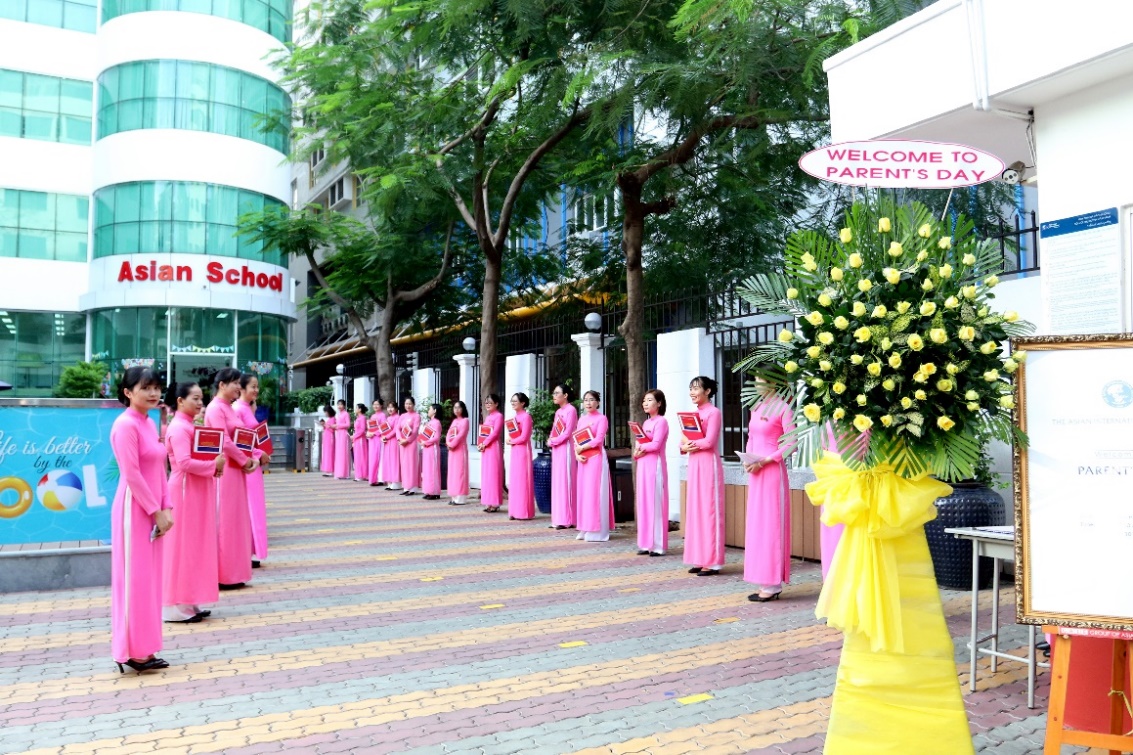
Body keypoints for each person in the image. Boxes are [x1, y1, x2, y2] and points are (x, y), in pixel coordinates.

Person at [110, 366, 172, 674]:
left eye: (156, 387)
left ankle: (145, 648)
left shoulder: (149, 422)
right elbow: (132, 473)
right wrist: (155, 511)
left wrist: (167, 505)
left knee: (149, 581)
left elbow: (159, 467)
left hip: (152, 508)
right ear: (127, 392)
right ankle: (130, 650)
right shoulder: (125, 425)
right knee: (134, 580)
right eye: (145, 387)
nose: (153, 393)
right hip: (133, 510)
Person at [163, 382, 223, 623]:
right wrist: (213, 466)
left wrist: (212, 466)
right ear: (180, 400)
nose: (200, 403)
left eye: (201, 399)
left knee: (195, 544)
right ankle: (174, 604)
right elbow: (184, 462)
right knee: (182, 546)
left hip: (196, 488)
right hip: (185, 489)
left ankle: (189, 598)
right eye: (195, 398)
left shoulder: (189, 425)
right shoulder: (178, 428)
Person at [205, 368, 258, 590]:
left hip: (236, 470)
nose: (239, 386)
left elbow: (241, 436)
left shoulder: (229, 408)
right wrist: (244, 460)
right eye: (234, 383)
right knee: (224, 521)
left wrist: (251, 456)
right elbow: (223, 441)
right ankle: (223, 574)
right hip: (224, 471)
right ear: (221, 385)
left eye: (239, 383)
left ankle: (236, 571)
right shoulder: (216, 408)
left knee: (236, 521)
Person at [742, 385, 796, 601]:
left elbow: (791, 443)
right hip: (756, 472)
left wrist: (765, 460)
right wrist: (748, 460)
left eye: (762, 380)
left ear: (774, 382)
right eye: (755, 380)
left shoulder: (784, 409)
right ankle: (763, 578)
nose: (757, 385)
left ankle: (773, 584)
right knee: (758, 526)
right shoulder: (755, 408)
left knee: (771, 525)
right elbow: (751, 438)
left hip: (772, 472)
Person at [681, 376, 725, 576]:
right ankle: (699, 557)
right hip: (694, 463)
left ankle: (713, 561)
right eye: (691, 388)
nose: (692, 392)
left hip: (708, 463)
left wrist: (692, 445)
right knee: (695, 510)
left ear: (707, 391)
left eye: (696, 388)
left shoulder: (714, 413)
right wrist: (684, 447)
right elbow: (683, 442)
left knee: (709, 510)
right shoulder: (691, 415)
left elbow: (709, 441)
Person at [234, 375, 269, 567]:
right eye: (252, 387)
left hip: (254, 462)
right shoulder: (238, 409)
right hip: (248, 463)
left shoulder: (247, 408)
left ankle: (252, 549)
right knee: (248, 508)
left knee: (254, 507)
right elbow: (240, 441)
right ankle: (245, 551)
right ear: (242, 388)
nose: (256, 390)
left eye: (257, 387)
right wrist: (257, 453)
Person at [632, 389, 669, 556]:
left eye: (649, 400)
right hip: (643, 465)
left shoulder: (661, 422)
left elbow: (655, 445)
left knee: (655, 503)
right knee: (644, 503)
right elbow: (639, 446)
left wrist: (641, 448)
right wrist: (637, 452)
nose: (645, 403)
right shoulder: (646, 424)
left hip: (655, 465)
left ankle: (658, 545)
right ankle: (646, 543)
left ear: (659, 403)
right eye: (644, 401)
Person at [574, 390, 613, 542]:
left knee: (595, 492)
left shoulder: (602, 419)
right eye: (586, 400)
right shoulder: (582, 419)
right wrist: (577, 454)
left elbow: (598, 440)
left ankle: (597, 530)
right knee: (584, 493)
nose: (588, 403)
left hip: (596, 458)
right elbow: (576, 439)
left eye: (591, 400)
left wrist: (582, 448)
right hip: (583, 459)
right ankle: (584, 527)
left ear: (598, 402)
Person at [546, 383, 577, 529]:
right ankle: (558, 518)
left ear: (565, 395)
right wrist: (551, 440)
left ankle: (568, 519)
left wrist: (554, 441)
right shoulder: (559, 412)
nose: (554, 395)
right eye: (554, 393)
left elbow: (567, 433)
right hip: (557, 448)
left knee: (566, 481)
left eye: (557, 393)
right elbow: (555, 430)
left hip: (566, 448)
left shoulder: (571, 410)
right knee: (558, 482)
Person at [505, 392, 534, 520]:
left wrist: (512, 441)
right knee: (515, 480)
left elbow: (524, 437)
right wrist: (509, 439)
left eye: (515, 401)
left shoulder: (526, 417)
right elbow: (515, 435)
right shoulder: (514, 418)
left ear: (523, 403)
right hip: (515, 450)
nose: (513, 403)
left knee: (523, 480)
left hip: (523, 450)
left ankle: (523, 511)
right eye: (512, 401)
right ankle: (514, 511)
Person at [477, 394, 504, 512]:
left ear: (496, 404)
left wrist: (485, 443)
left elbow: (495, 433)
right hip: (485, 448)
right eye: (486, 402)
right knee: (486, 474)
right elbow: (484, 432)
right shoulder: (488, 417)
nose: (487, 404)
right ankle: (488, 502)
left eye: (490, 402)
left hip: (493, 447)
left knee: (493, 474)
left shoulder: (499, 416)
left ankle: (495, 503)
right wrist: (480, 443)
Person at [446, 400, 470, 504]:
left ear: (463, 409)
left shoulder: (465, 421)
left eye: (459, 407)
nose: (456, 410)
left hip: (460, 449)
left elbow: (461, 435)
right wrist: (447, 442)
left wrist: (452, 444)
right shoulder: (454, 421)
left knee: (460, 472)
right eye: (455, 407)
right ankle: (453, 496)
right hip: (452, 451)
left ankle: (460, 497)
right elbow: (448, 434)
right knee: (453, 472)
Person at [397, 396, 422, 496]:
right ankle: (406, 487)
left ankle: (413, 487)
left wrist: (407, 440)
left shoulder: (416, 416)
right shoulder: (402, 416)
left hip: (411, 443)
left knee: (411, 464)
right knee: (404, 464)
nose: (408, 406)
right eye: (406, 404)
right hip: (402, 444)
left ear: (414, 405)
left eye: (410, 404)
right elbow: (397, 428)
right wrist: (400, 439)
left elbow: (415, 431)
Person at [420, 403, 443, 500]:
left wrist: (426, 442)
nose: (428, 411)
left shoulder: (436, 422)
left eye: (430, 409)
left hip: (432, 448)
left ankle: (435, 491)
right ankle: (429, 491)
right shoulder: (430, 422)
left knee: (433, 469)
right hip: (426, 448)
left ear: (435, 411)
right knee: (427, 470)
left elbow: (437, 437)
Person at [381, 400, 401, 490]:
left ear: (396, 408)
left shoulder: (397, 417)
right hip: (387, 442)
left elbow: (395, 430)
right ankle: (389, 481)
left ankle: (395, 482)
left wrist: (387, 436)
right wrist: (382, 437)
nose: (390, 409)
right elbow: (384, 430)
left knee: (394, 460)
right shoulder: (388, 418)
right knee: (387, 461)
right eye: (388, 407)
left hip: (393, 441)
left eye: (392, 407)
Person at [367, 399, 384, 486]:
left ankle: (377, 479)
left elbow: (383, 429)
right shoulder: (372, 416)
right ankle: (372, 478)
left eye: (377, 404)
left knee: (376, 459)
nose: (375, 406)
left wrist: (374, 433)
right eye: (374, 404)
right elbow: (370, 427)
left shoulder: (383, 416)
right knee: (372, 459)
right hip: (371, 439)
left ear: (381, 405)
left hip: (377, 439)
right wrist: (368, 433)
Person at [333, 399, 351, 480]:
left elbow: (348, 424)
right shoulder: (339, 414)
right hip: (339, 434)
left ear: (344, 405)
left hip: (343, 434)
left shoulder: (346, 414)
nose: (339, 406)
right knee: (339, 453)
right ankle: (339, 473)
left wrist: (338, 425)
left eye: (341, 404)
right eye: (338, 404)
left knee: (344, 453)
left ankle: (345, 473)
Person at [352, 403, 369, 482]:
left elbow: (362, 430)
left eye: (356, 408)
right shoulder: (358, 418)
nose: (355, 409)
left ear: (360, 409)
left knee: (362, 456)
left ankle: (362, 474)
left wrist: (354, 436)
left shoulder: (362, 418)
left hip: (361, 440)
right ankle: (358, 474)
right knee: (357, 457)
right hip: (357, 439)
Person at [319, 405, 335, 476]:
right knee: (326, 453)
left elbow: (333, 429)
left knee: (330, 453)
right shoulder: (329, 419)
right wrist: (324, 425)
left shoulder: (333, 419)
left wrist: (326, 425)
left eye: (326, 412)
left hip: (330, 438)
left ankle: (331, 470)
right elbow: (326, 428)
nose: (325, 413)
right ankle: (327, 469)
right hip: (326, 437)